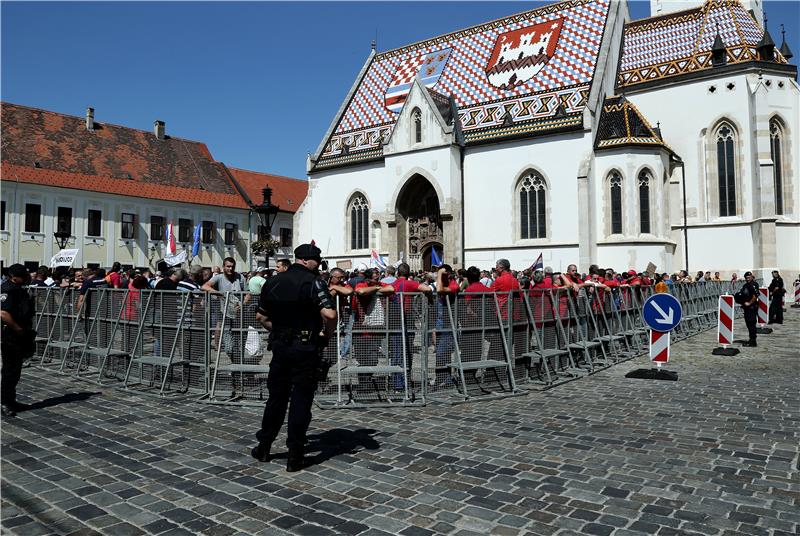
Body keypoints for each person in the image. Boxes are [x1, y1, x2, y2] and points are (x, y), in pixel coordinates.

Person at [251, 243, 336, 472]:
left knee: (276, 399)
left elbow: (260, 316)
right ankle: (295, 454)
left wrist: (278, 332)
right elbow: (329, 313)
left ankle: (264, 446)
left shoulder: (273, 281)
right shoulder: (313, 282)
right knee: (300, 400)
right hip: (305, 348)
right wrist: (326, 335)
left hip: (280, 347)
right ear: (307, 261)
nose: (318, 265)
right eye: (316, 261)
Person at [1, 264, 36, 417]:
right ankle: (5, 403)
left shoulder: (18, 290)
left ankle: (10, 400)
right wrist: (18, 329)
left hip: (18, 335)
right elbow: (3, 313)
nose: (27, 278)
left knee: (15, 371)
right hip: (12, 336)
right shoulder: (9, 290)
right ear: (14, 277)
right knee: (10, 371)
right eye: (24, 276)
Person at [739, 271, 760, 347]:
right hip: (747, 308)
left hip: (752, 307)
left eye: (749, 277)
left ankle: (753, 341)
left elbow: (755, 296)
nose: (748, 279)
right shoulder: (746, 285)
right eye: (746, 278)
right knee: (748, 324)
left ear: (752, 277)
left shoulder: (754, 284)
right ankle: (751, 339)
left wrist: (749, 303)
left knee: (751, 324)